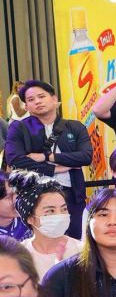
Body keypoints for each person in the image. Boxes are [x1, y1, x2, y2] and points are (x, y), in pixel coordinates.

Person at [5, 80, 91, 238]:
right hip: (34, 195)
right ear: (26, 106)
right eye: (31, 100)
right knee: (39, 241)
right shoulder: (19, 128)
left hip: (71, 194)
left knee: (73, 241)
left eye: (41, 96)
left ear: (54, 99)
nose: (37, 101)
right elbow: (15, 160)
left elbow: (85, 156)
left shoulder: (75, 127)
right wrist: (54, 168)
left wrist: (47, 156)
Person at [14, 176, 81, 276]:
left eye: (64, 209)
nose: (60, 215)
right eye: (50, 211)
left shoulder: (81, 251)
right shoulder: (18, 256)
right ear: (30, 218)